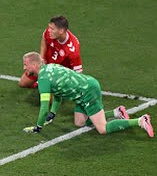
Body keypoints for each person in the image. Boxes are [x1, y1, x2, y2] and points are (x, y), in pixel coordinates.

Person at [21, 52, 152, 137]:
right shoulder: (50, 67)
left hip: (88, 91)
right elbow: (58, 92)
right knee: (79, 122)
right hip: (83, 89)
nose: (24, 68)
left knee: (102, 128)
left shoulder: (43, 79)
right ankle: (116, 112)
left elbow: (44, 108)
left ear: (34, 64)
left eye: (26, 65)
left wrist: (38, 127)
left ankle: (140, 121)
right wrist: (53, 113)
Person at [19, 15, 82, 88]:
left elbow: (78, 72)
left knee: (50, 93)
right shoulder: (50, 33)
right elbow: (44, 39)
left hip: (59, 72)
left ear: (61, 31)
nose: (49, 30)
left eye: (52, 29)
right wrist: (42, 58)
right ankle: (40, 83)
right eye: (49, 27)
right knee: (23, 83)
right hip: (46, 64)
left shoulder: (72, 50)